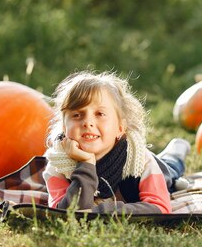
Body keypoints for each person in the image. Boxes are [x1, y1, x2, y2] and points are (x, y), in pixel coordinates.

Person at [42, 70, 191, 214]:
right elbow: (65, 213)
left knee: (172, 167)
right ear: (64, 128)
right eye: (77, 115)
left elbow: (160, 208)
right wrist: (86, 163)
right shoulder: (58, 166)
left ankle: (177, 148)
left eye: (100, 114)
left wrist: (100, 212)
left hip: (159, 170)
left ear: (120, 128)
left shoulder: (141, 162)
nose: (87, 122)